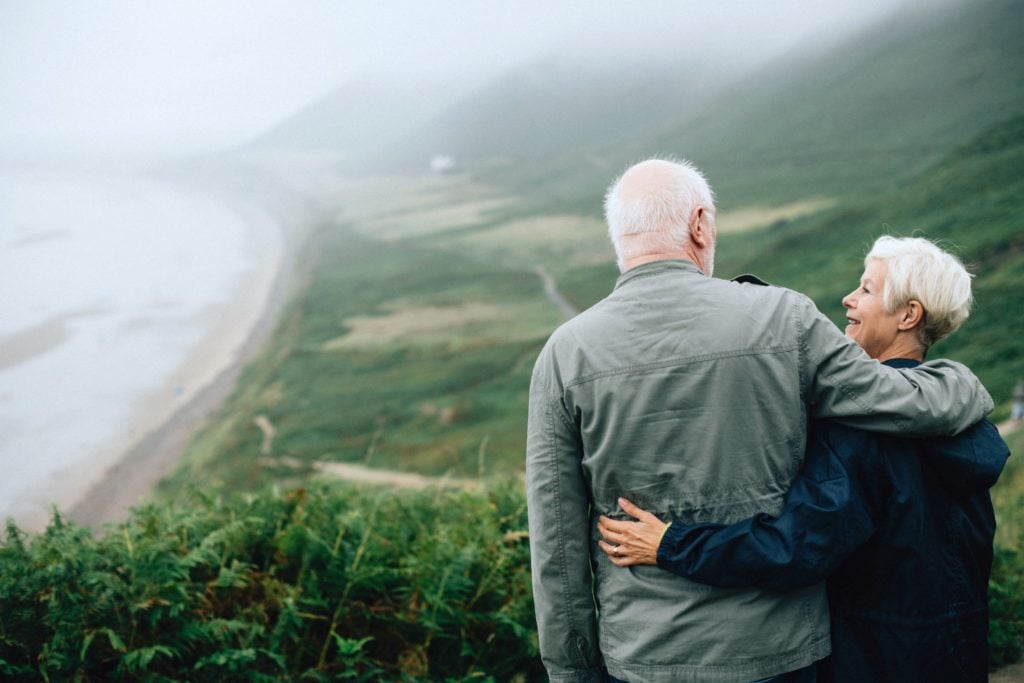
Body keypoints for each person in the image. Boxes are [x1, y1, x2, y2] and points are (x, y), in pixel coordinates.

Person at [526, 158, 994, 683]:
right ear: (700, 224)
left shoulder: (563, 355)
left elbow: (557, 546)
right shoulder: (785, 318)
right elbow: (903, 403)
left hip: (642, 654)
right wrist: (963, 382)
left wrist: (573, 672)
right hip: (783, 653)